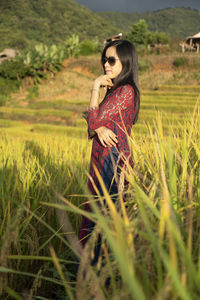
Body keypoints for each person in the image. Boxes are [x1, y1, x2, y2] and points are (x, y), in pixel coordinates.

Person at [80, 39, 140, 247]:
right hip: (101, 159)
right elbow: (91, 122)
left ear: (126, 61)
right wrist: (98, 127)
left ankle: (101, 274)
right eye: (105, 59)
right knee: (98, 217)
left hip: (112, 161)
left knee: (104, 221)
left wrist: (95, 86)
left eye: (112, 60)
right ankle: (89, 273)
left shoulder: (126, 92)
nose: (106, 64)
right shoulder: (114, 91)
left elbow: (92, 118)